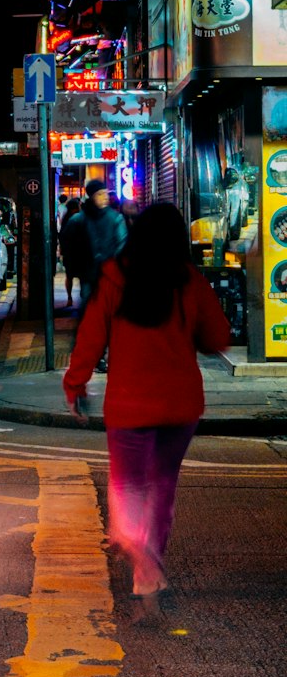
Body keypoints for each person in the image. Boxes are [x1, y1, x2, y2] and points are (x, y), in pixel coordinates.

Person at [63, 203, 231, 623]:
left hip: (128, 403)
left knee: (128, 485)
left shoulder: (115, 277)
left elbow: (91, 336)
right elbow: (217, 337)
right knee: (162, 486)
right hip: (179, 403)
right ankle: (147, 565)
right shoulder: (189, 280)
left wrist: (75, 381)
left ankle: (134, 547)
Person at [59, 178, 129, 313]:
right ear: (91, 197)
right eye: (100, 194)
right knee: (89, 307)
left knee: (109, 308)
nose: (105, 197)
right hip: (88, 273)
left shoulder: (115, 219)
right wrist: (74, 263)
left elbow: (122, 245)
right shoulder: (78, 220)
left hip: (110, 275)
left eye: (106, 193)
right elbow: (67, 242)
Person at [58, 197, 82, 307]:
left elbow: (62, 236)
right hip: (79, 252)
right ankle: (81, 296)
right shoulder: (81, 219)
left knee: (69, 276)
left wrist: (62, 250)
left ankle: (69, 298)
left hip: (69, 252)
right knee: (81, 275)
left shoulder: (66, 220)